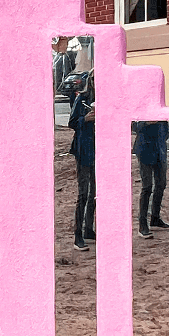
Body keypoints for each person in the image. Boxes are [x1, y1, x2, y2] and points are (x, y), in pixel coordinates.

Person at [68, 72, 96, 250]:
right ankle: (78, 235)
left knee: (95, 193)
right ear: (90, 81)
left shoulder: (109, 97)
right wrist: (84, 119)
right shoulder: (82, 98)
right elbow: (72, 122)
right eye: (94, 78)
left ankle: (88, 229)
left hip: (100, 151)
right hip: (83, 150)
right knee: (83, 193)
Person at [133, 118, 169, 238]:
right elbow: (134, 126)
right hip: (145, 148)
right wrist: (146, 122)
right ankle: (142, 223)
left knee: (161, 184)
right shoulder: (141, 105)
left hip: (159, 147)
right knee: (147, 186)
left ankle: (155, 218)